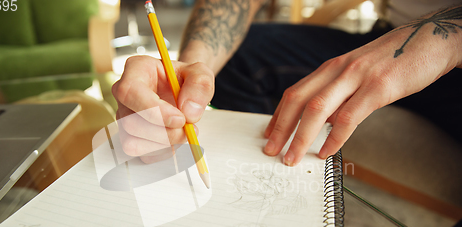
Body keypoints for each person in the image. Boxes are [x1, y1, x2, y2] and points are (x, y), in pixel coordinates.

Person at [112, 0, 462, 166]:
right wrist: (192, 72)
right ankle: (257, 184)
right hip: (389, 32)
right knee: (239, 56)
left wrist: (443, 39)